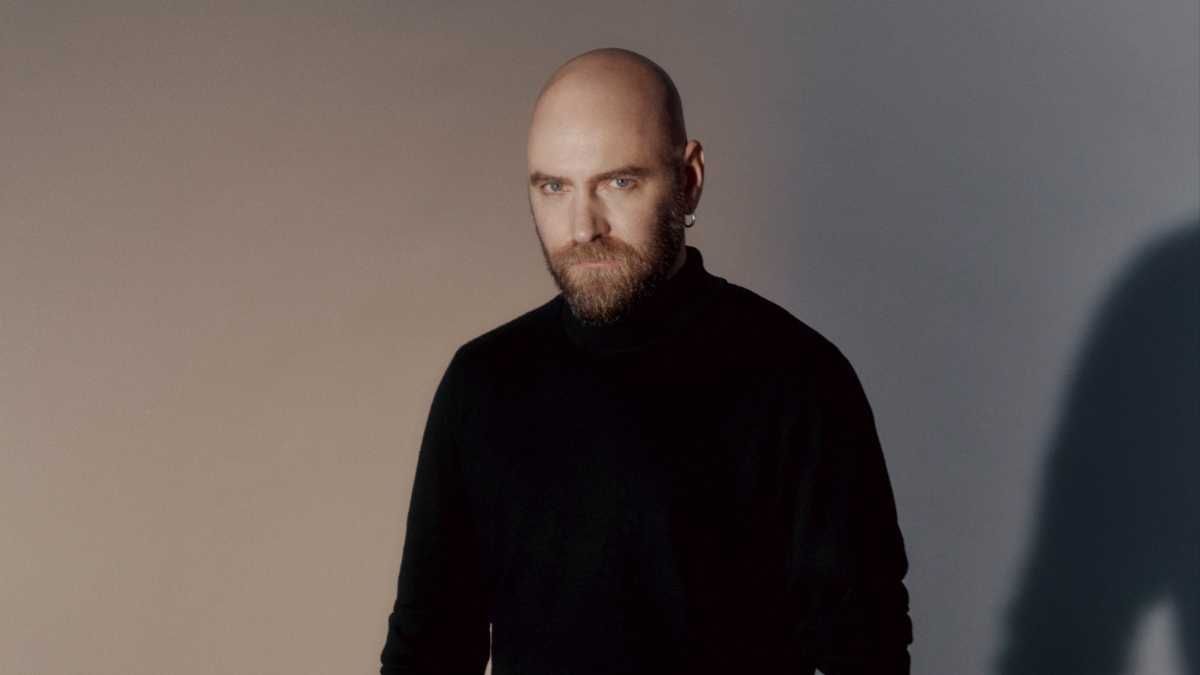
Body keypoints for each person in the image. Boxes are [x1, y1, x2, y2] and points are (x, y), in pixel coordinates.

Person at [380, 47, 913, 675]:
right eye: (554, 187)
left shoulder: (800, 379)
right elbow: (427, 648)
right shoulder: (483, 383)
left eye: (619, 182)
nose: (583, 227)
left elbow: (866, 652)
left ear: (688, 179)